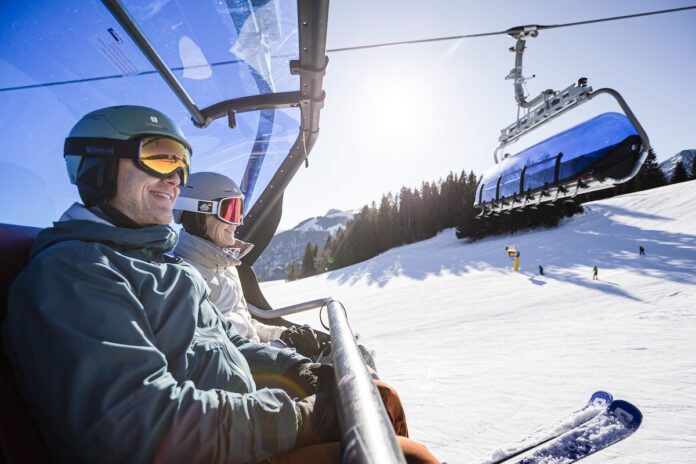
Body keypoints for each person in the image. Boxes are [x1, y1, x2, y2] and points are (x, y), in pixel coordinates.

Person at [2, 106, 438, 463]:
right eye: (159, 156)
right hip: (203, 450)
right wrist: (302, 417)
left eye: (180, 162)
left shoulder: (162, 266)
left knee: (381, 398)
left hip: (234, 432)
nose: (175, 176)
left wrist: (294, 369)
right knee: (410, 459)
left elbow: (228, 340)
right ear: (97, 166)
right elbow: (136, 426)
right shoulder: (75, 273)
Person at [172, 172, 377, 371]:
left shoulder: (227, 267)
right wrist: (284, 350)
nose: (238, 221)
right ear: (198, 214)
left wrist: (284, 335)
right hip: (249, 375)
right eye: (231, 210)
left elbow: (246, 325)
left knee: (360, 356)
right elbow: (218, 356)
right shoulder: (183, 278)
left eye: (240, 211)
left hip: (266, 357)